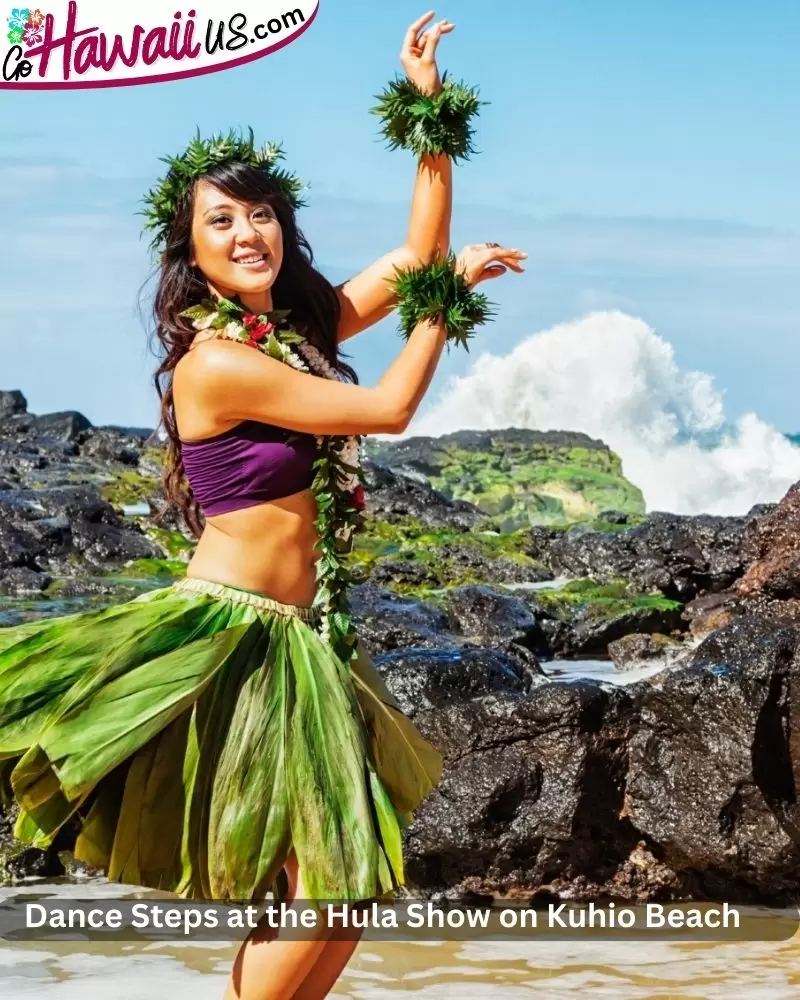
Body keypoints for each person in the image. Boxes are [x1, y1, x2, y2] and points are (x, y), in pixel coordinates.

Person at [0, 12, 525, 1000]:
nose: (248, 234)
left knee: (341, 886)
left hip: (303, 635)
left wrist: (427, 112)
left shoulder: (291, 333)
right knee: (319, 881)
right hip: (236, 643)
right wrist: (445, 302)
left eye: (261, 215)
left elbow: (416, 251)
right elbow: (388, 405)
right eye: (221, 222)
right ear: (189, 253)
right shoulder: (221, 363)